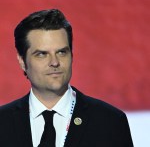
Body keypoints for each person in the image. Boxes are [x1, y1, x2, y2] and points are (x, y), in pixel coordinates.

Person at [0, 9, 134, 147]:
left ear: (72, 55)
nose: (54, 62)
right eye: (41, 54)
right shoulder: (3, 123)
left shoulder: (110, 122)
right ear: (22, 61)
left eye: (61, 52)